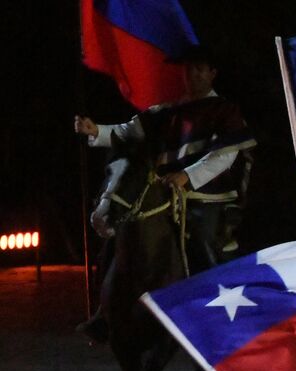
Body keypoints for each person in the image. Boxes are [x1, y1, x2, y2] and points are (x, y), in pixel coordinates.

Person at [74, 45, 255, 342]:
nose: (193, 75)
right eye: (188, 69)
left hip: (205, 196)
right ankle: (105, 313)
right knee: (116, 233)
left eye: (199, 69)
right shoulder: (166, 111)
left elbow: (225, 155)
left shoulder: (225, 111)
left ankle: (223, 311)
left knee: (203, 238)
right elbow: (126, 131)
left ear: (212, 73)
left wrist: (187, 175)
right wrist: (96, 131)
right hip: (160, 193)